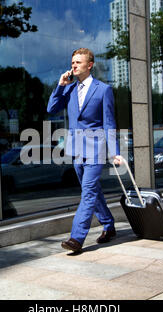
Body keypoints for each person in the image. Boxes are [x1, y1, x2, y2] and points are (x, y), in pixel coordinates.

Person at [47, 48, 123, 253]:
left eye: (78, 63)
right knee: (92, 190)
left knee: (88, 192)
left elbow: (109, 122)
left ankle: (76, 238)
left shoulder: (103, 89)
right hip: (76, 149)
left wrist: (115, 151)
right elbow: (51, 109)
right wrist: (60, 86)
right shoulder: (69, 89)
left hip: (96, 148)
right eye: (72, 62)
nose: (73, 66)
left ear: (89, 65)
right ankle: (109, 225)